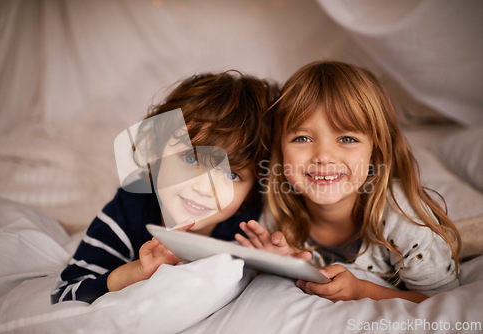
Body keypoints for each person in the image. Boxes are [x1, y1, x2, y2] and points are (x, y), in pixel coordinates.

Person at [236, 60, 460, 303]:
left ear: (375, 153)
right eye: (302, 138)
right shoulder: (278, 213)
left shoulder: (402, 216)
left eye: (347, 139)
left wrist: (362, 291)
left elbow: (443, 301)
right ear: (280, 150)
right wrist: (282, 262)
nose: (323, 156)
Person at [51, 71, 278, 304]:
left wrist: (272, 266)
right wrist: (136, 272)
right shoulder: (130, 210)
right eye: (191, 159)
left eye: (232, 174)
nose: (204, 188)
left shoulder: (251, 228)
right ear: (155, 149)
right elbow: (66, 293)